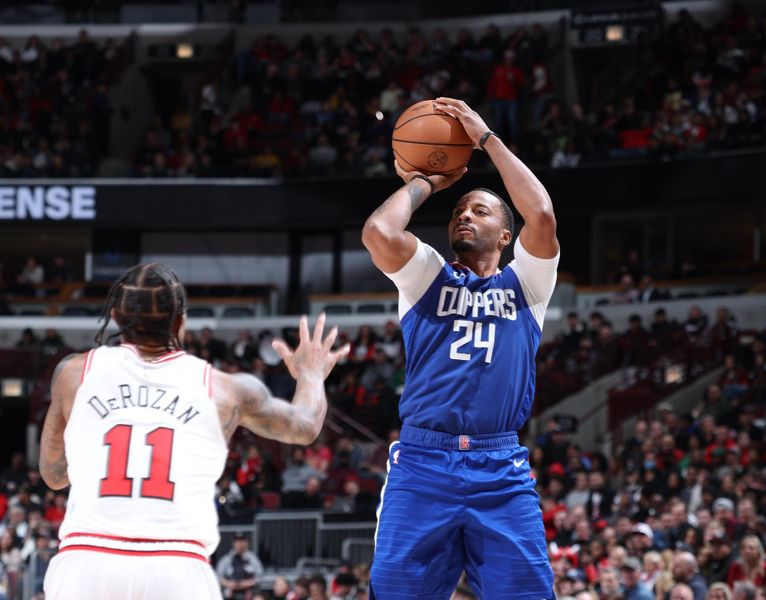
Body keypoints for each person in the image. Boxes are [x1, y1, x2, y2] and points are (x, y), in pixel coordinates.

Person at [39, 263, 349, 600]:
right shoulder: (223, 389)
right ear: (180, 321)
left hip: (86, 562)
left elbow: (54, 475)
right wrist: (311, 374)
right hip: (176, 566)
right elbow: (305, 427)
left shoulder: (74, 374)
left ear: (114, 315)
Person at [362, 97, 559, 599]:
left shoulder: (528, 285)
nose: (465, 215)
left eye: (480, 210)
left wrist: (485, 138)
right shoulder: (426, 274)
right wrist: (426, 180)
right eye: (459, 211)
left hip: (501, 467)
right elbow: (380, 231)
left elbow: (540, 212)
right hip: (423, 464)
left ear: (506, 235)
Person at [216, 533, 264, 599]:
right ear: (233, 543)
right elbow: (218, 576)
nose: (240, 544)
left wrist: (247, 583)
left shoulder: (253, 559)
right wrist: (228, 584)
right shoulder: (226, 559)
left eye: (242, 541)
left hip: (249, 592)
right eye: (237, 541)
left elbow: (260, 576)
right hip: (230, 592)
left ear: (246, 543)